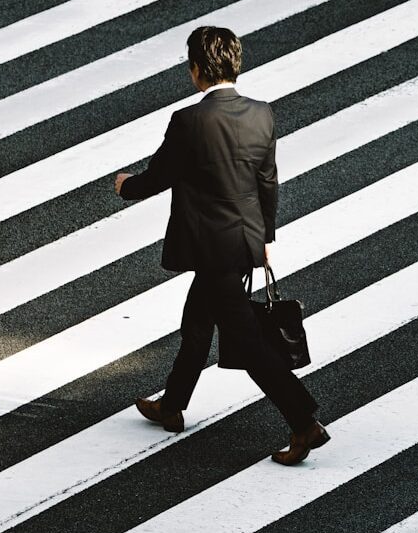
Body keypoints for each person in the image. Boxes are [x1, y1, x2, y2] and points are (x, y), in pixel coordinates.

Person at [114, 25, 329, 465]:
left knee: (248, 343)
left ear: (196, 70)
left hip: (209, 246)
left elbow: (158, 177)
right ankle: (172, 404)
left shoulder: (189, 121)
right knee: (197, 323)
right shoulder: (261, 114)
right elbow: (267, 181)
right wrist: (264, 237)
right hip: (242, 240)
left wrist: (124, 186)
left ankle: (304, 422)